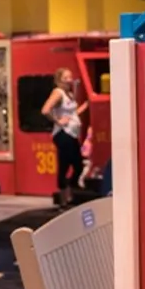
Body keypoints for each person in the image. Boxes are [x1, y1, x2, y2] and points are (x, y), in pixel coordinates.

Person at [41, 67, 87, 207]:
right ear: (59, 80)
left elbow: (72, 114)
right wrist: (58, 121)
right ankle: (64, 197)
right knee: (65, 165)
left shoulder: (70, 94)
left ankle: (70, 190)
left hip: (72, 133)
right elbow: (45, 110)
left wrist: (86, 106)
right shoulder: (58, 93)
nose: (69, 80)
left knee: (78, 165)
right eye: (66, 78)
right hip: (63, 134)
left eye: (70, 77)